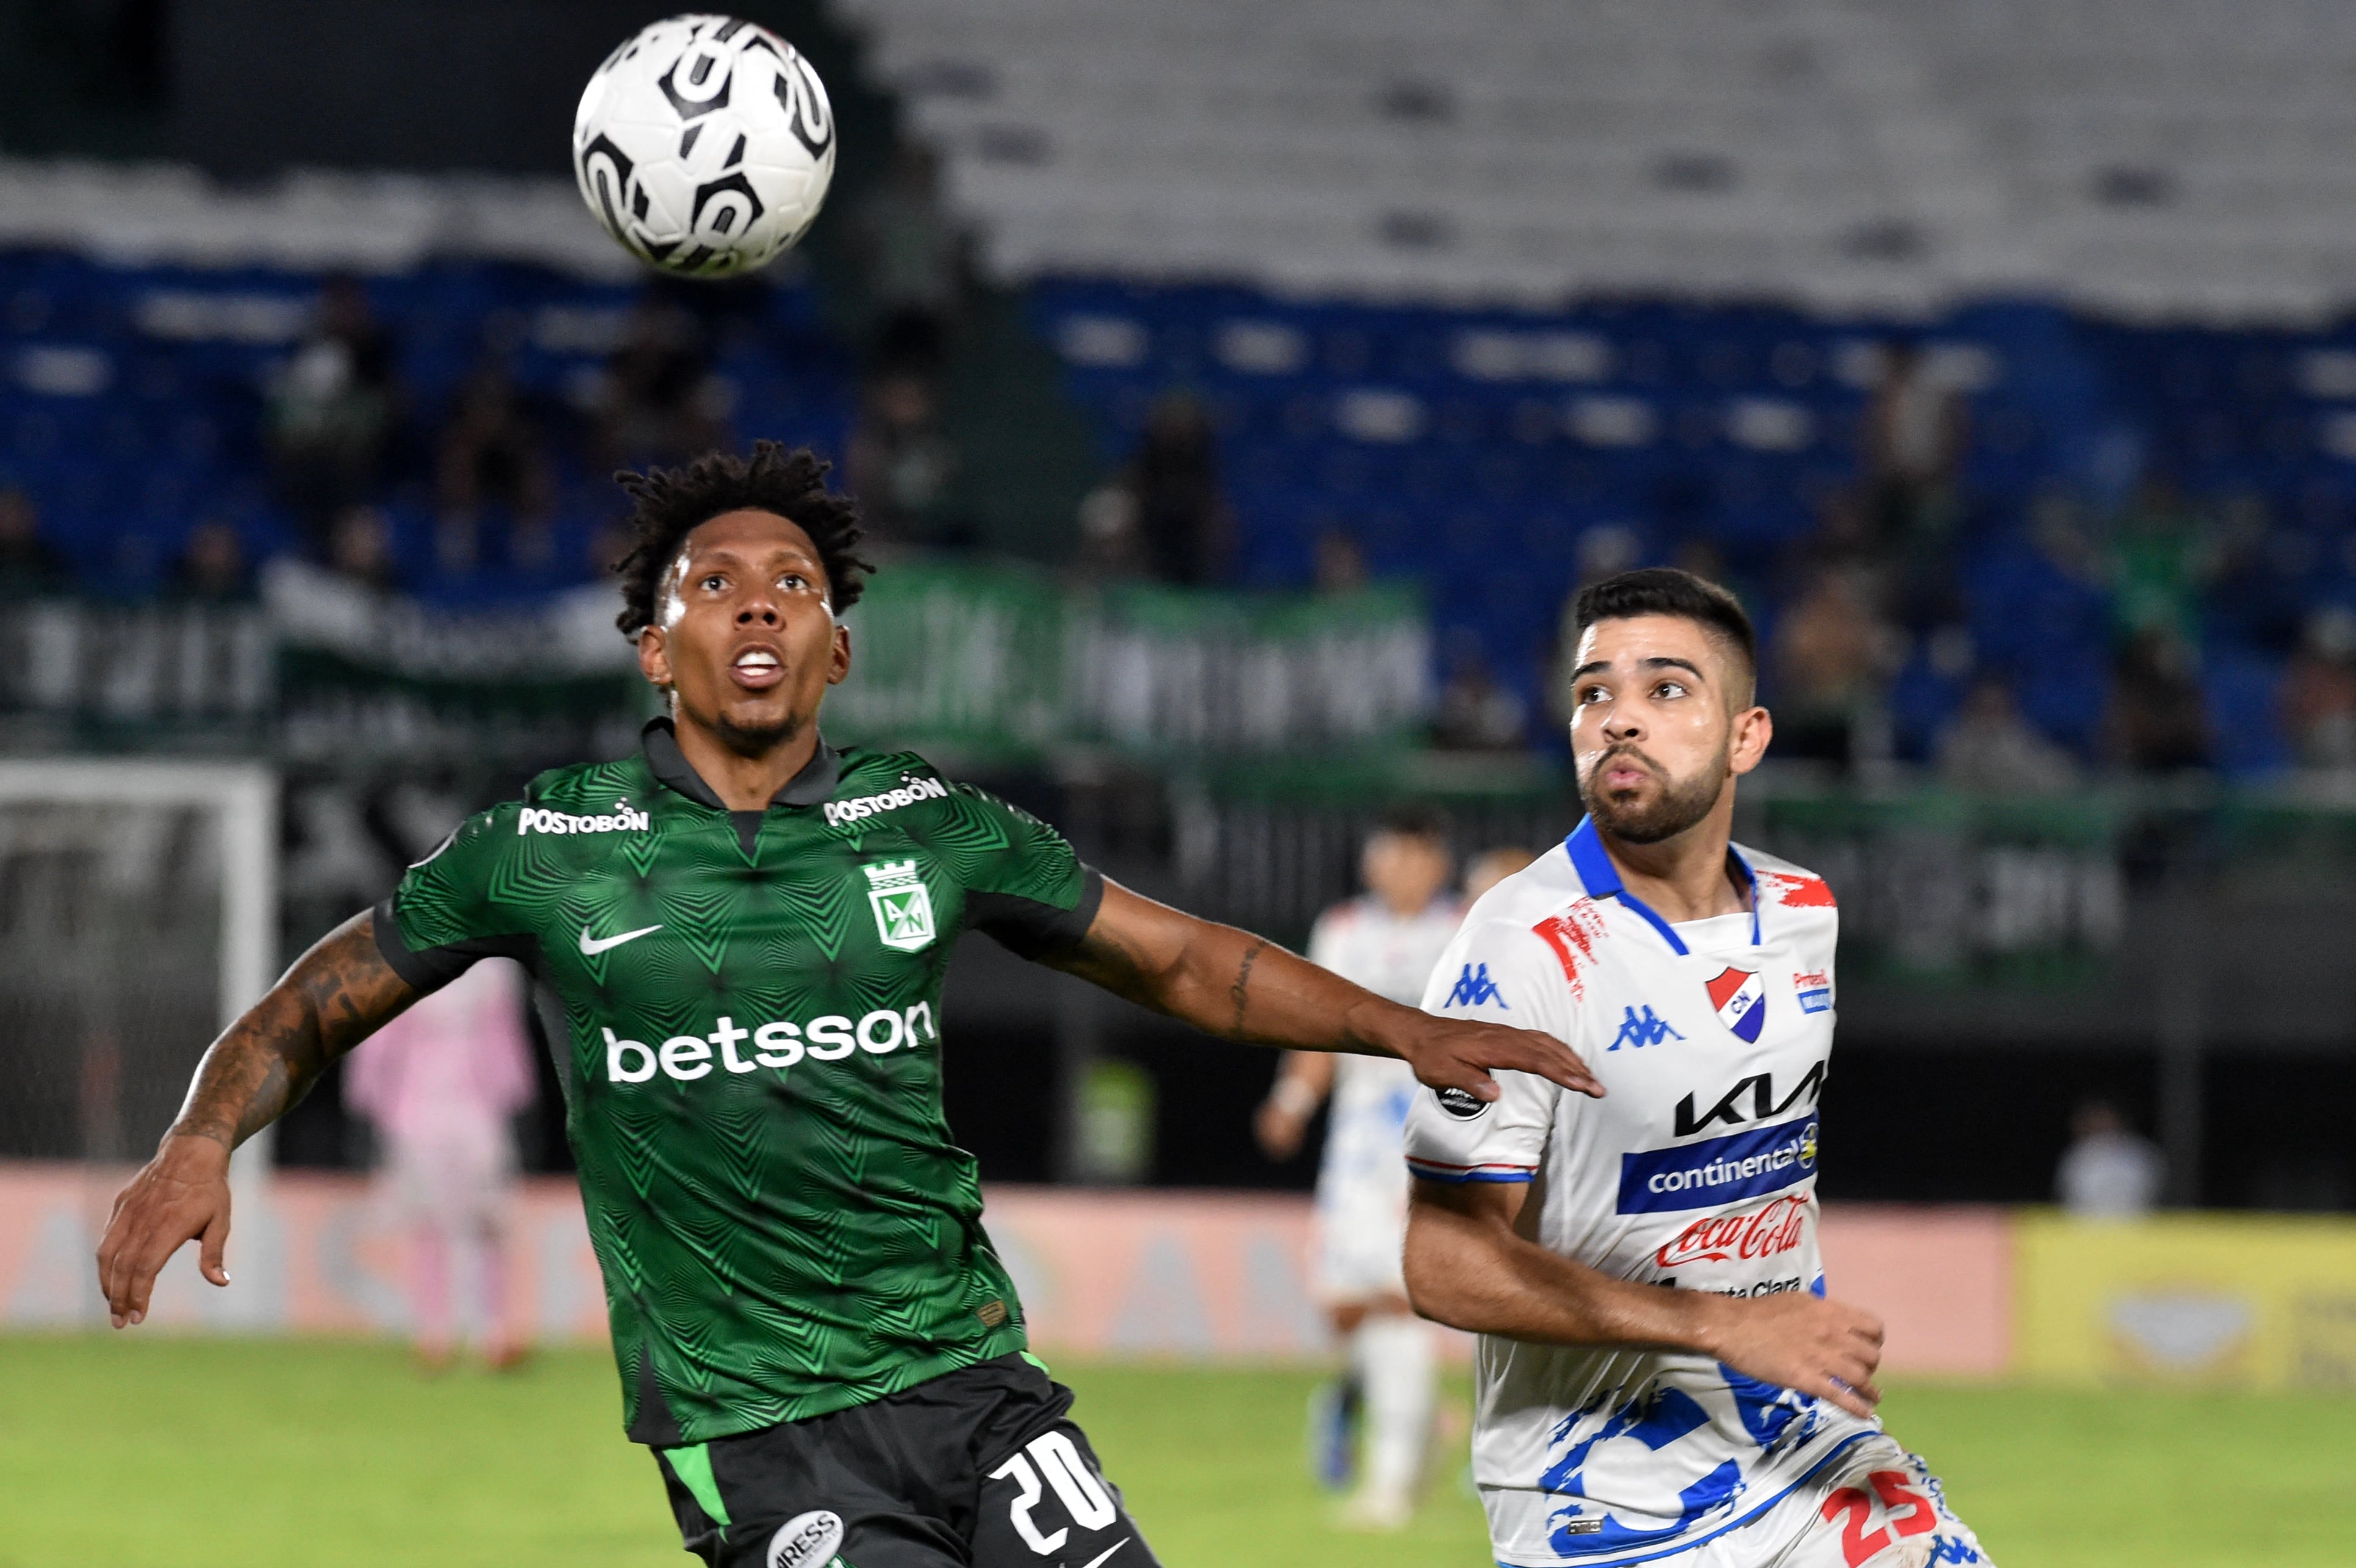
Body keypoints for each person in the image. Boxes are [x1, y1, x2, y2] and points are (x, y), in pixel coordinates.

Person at [96, 441, 1596, 1568]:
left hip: (970, 1382)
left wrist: (1400, 1027)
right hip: (752, 1431)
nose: (758, 601)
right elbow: (318, 1000)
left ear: (839, 646)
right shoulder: (543, 847)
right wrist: (198, 1136)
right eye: (713, 584)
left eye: (795, 584)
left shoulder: (930, 825)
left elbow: (1180, 960)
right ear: (653, 647)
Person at [1400, 567, 1994, 1567]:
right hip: (1597, 1493)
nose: (1619, 718)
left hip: (1803, 1444)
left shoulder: (1803, 911)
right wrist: (1716, 1325)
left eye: (1666, 689)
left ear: (1745, 737)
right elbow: (1443, 1262)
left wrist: (1763, 1329)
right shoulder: (1520, 950)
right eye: (1593, 693)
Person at [1253, 807, 1463, 1530]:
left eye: (1416, 855)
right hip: (1355, 1149)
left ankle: (1391, 1479)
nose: (1402, 869)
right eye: (1391, 855)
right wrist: (1291, 1100)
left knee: (1400, 1297)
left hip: (1435, 1143)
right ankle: (1376, 1403)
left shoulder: (1465, 929)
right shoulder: (1343, 929)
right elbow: (1316, 1026)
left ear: (1437, 864)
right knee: (1345, 1302)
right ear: (1372, 862)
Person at [344, 957, 536, 1370]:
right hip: (417, 1110)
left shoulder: (492, 970)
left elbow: (504, 1035)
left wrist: (513, 1096)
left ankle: (495, 1331)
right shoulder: (405, 963)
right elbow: (381, 1039)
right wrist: (375, 1099)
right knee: (426, 1220)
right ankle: (433, 1332)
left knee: (488, 1220)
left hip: (479, 1108)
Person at [2055, 1100, 2163, 1218]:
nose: (2098, 1122)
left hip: (2133, 1224)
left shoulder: (2140, 1153)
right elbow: (2068, 1195)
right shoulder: (2077, 1155)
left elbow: (2150, 1193)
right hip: (2086, 1225)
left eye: (2102, 1116)